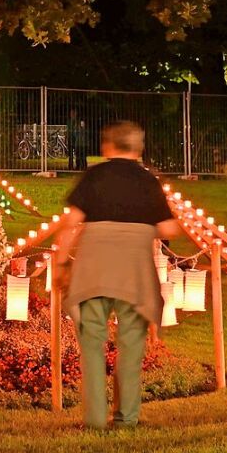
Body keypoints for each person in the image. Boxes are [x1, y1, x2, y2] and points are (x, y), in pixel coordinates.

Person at [55, 121, 179, 429]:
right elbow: (168, 229)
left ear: (107, 147)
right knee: (132, 347)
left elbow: (71, 223)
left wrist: (59, 263)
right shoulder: (149, 181)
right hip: (134, 275)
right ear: (139, 149)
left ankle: (95, 419)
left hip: (93, 271)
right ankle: (126, 418)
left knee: (93, 346)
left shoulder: (94, 176)